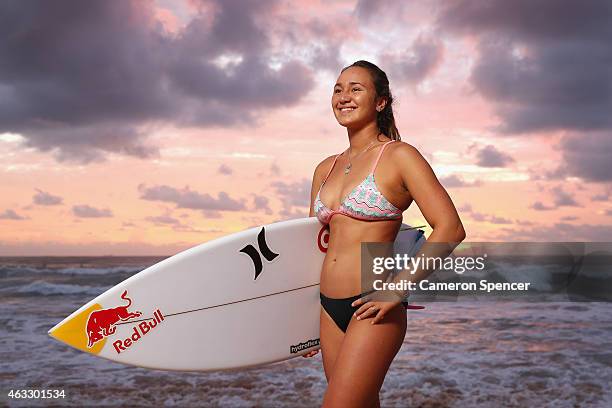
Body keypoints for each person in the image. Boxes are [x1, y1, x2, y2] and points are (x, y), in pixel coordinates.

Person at [303, 60, 466, 408]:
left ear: (381, 101)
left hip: (374, 304)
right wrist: (300, 327)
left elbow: (450, 227)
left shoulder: (399, 156)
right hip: (327, 308)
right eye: (337, 89)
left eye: (356, 88)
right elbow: (312, 248)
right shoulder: (324, 168)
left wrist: (396, 290)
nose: (344, 96)